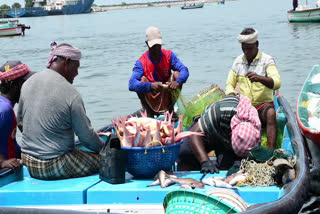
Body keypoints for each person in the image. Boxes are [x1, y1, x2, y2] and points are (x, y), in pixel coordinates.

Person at [17, 42, 105, 180]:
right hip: (51, 165)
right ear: (67, 62)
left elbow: (21, 123)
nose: (77, 73)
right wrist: (105, 150)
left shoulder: (28, 82)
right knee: (108, 161)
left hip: (27, 160)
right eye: (76, 67)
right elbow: (86, 137)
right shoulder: (71, 93)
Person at [225, 28, 281, 150]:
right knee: (225, 115)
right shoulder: (238, 62)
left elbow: (277, 83)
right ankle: (233, 150)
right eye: (243, 48)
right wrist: (232, 95)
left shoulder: (267, 60)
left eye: (249, 48)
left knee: (271, 113)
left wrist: (260, 78)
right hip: (245, 108)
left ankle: (270, 152)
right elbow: (229, 84)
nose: (246, 52)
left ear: (257, 44)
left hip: (262, 107)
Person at [178, 95, 261, 173]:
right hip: (206, 130)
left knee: (227, 166)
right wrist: (205, 161)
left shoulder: (254, 127)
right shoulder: (221, 111)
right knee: (185, 153)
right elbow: (195, 133)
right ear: (231, 133)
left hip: (225, 138)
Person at [129, 26, 189, 119]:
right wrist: (150, 86)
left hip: (167, 93)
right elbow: (131, 84)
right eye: (153, 46)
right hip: (151, 95)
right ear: (147, 44)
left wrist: (178, 82)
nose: (156, 49)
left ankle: (170, 110)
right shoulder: (141, 62)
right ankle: (149, 113)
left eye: (158, 45)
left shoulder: (169, 55)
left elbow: (184, 70)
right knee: (142, 80)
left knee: (177, 74)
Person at [0, 60, 34, 170]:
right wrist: (1, 163)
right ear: (14, 85)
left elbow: (10, 141)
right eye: (26, 83)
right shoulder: (5, 110)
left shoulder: (5, 106)